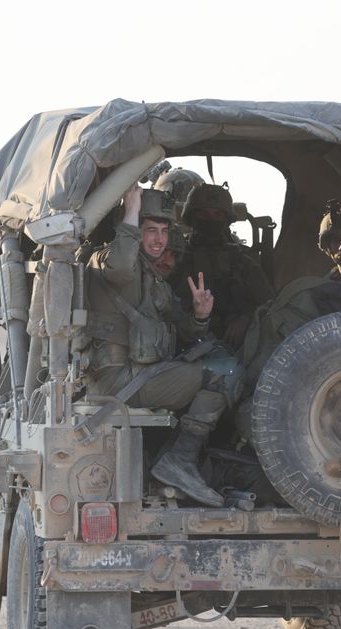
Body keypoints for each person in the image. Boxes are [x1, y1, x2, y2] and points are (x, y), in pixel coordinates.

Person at [83, 186, 239, 507]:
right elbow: (121, 265)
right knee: (225, 373)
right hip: (120, 382)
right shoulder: (112, 261)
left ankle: (174, 460)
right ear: (131, 230)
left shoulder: (151, 276)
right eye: (150, 230)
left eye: (165, 232)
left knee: (222, 357)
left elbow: (183, 327)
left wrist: (200, 316)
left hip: (142, 374)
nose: (159, 240)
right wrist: (130, 210)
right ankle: (179, 461)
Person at [176, 184, 274, 349]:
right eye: (203, 214)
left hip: (237, 347)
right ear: (192, 217)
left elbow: (270, 304)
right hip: (185, 343)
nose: (210, 220)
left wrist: (247, 318)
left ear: (226, 220)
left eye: (218, 214)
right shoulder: (176, 259)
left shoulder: (242, 261)